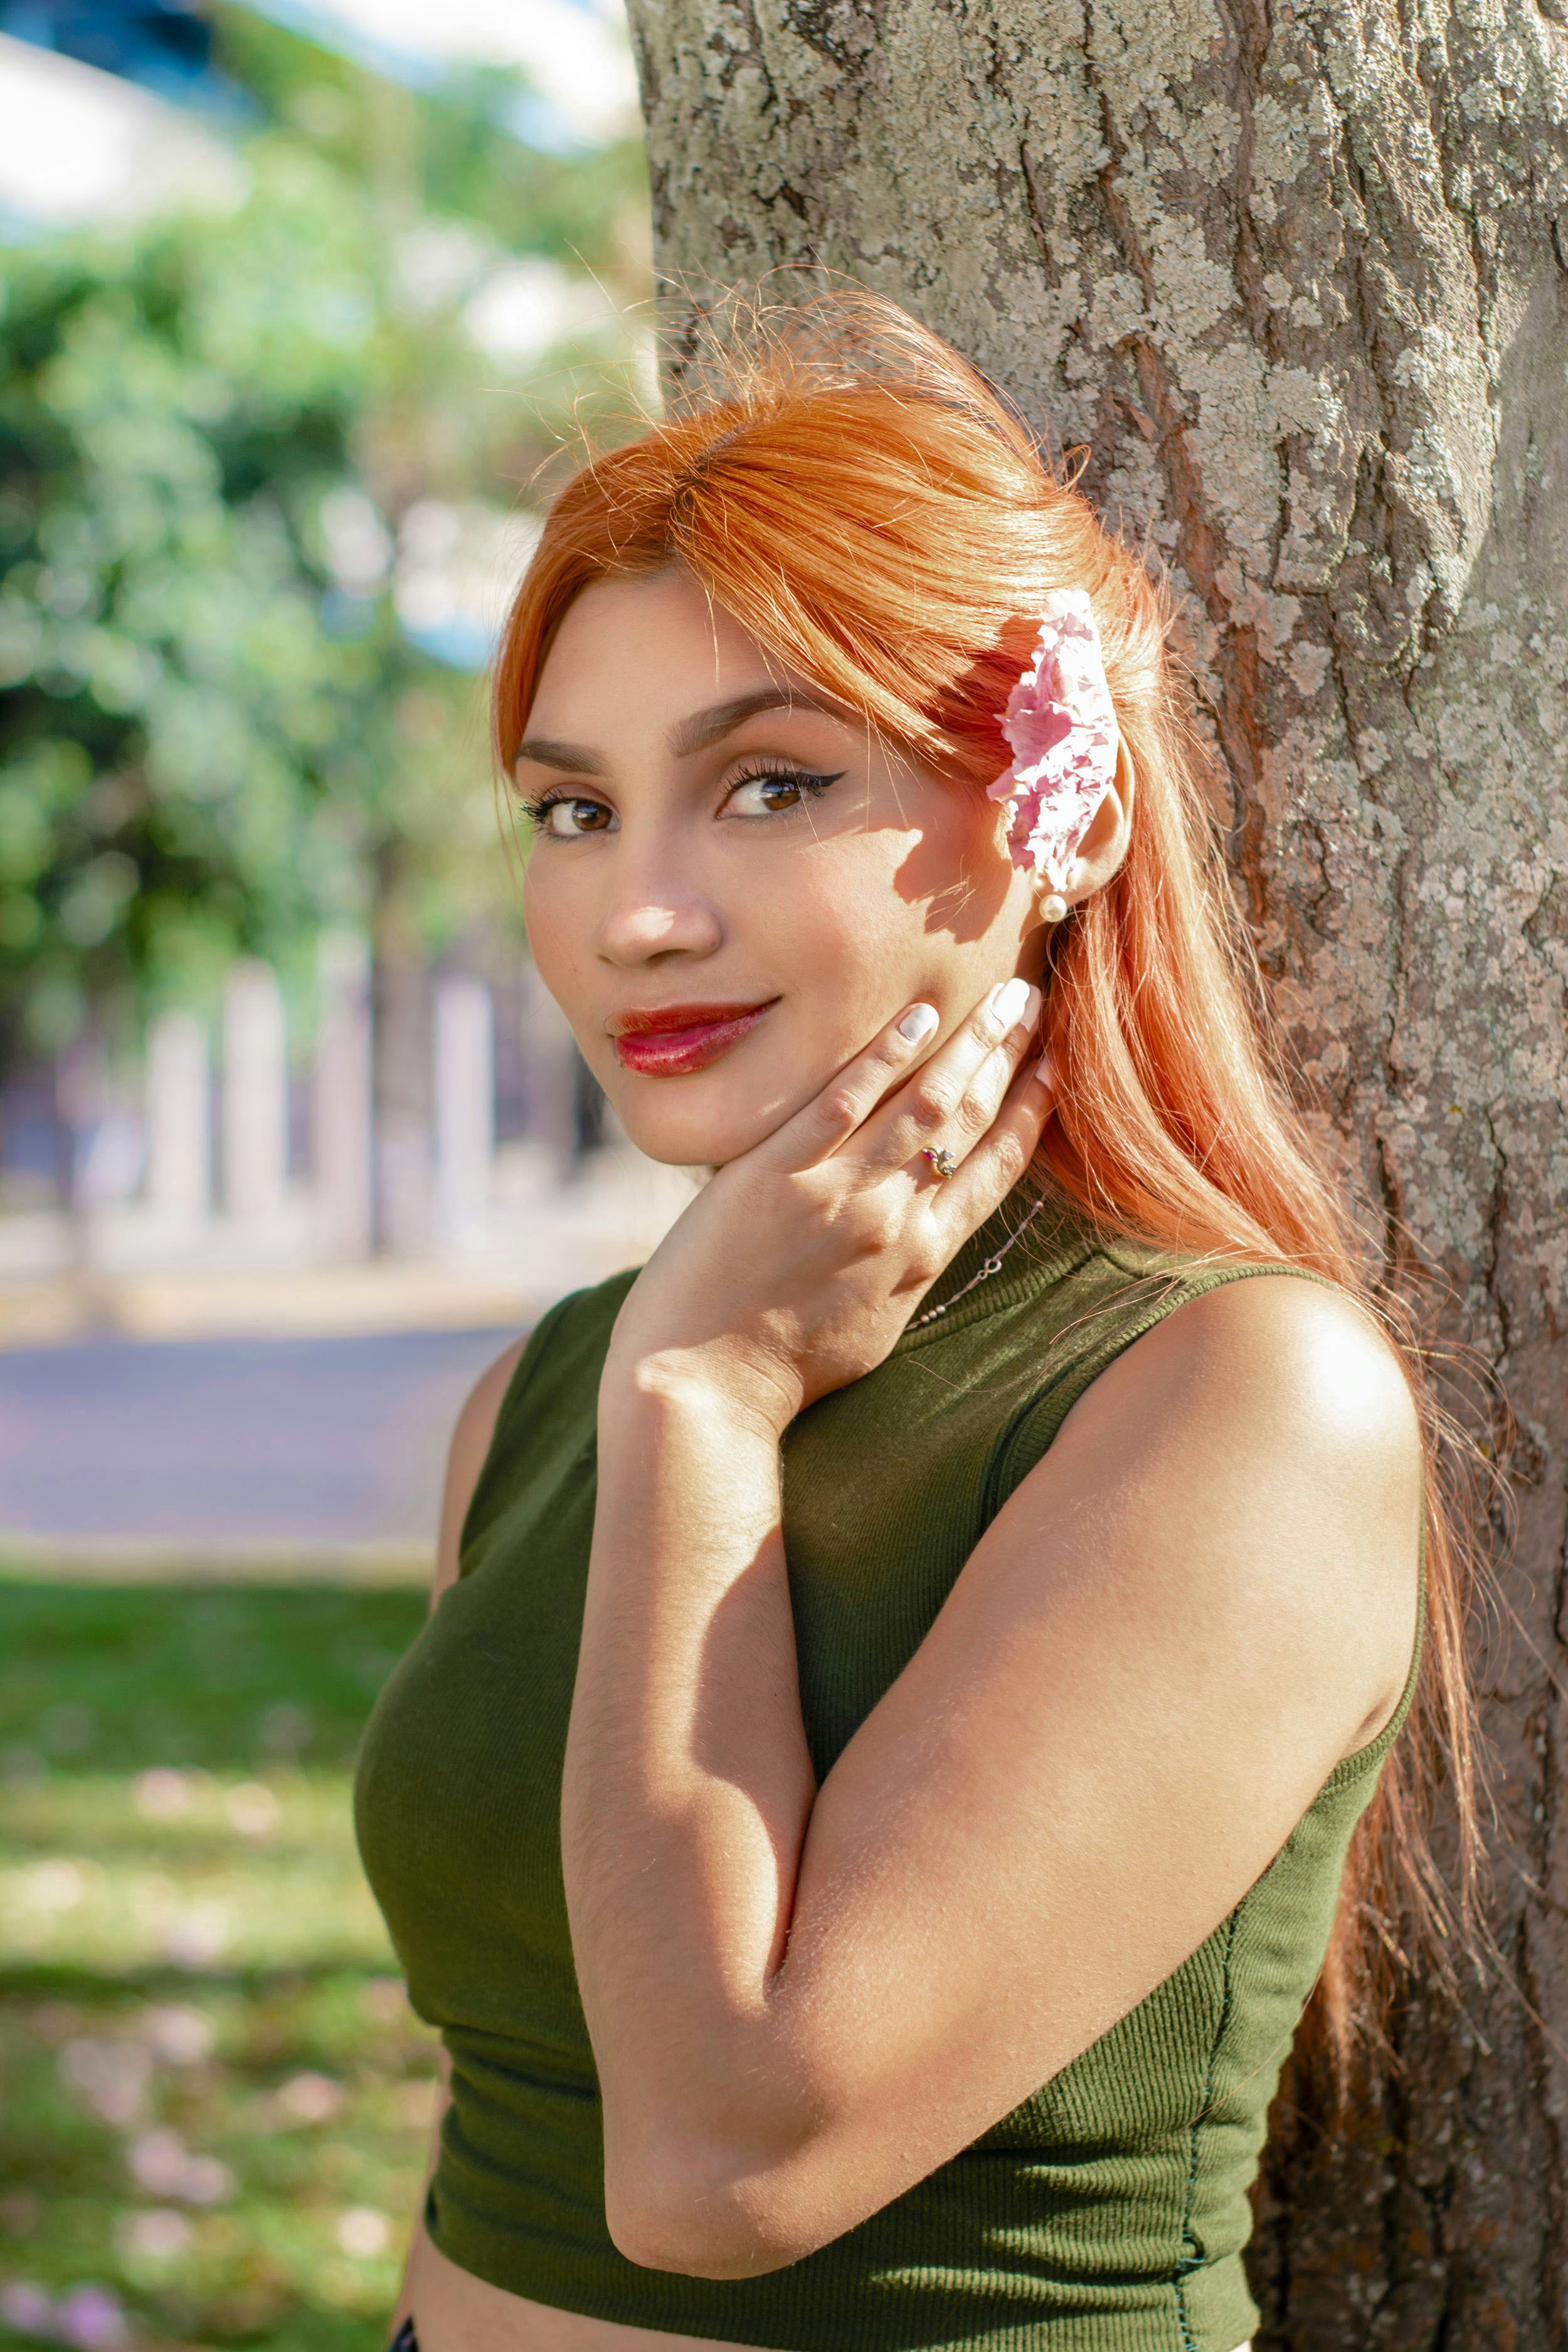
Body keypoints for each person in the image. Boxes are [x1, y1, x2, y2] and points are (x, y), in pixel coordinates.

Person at [355, 294, 1479, 2352]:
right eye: (572, 809)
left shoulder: (1234, 1395)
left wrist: (704, 1404)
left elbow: (726, 2167)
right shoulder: (546, 1389)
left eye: (769, 785)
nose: (637, 913)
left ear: (1061, 816)